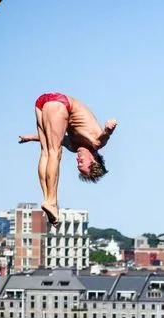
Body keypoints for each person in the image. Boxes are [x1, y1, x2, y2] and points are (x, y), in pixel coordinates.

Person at [19, 92, 117, 225]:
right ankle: (52, 202)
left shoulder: (72, 146)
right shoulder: (96, 144)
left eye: (78, 163)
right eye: (81, 162)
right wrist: (109, 128)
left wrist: (30, 137)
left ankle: (48, 199)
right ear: (94, 159)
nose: (77, 160)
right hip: (60, 104)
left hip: (41, 104)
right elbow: (103, 137)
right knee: (53, 152)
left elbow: (54, 135)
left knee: (46, 151)